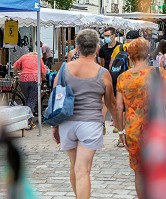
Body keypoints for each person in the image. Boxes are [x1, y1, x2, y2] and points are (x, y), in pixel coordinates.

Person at [51, 29, 117, 199]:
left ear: (77, 48)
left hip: (67, 122)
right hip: (90, 124)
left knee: (74, 166)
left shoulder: (64, 69)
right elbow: (110, 102)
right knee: (84, 170)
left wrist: (54, 125)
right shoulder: (103, 73)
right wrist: (119, 124)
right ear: (97, 47)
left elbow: (56, 95)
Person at [115, 37, 166, 198]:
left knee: (139, 172)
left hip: (133, 129)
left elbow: (119, 106)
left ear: (130, 56)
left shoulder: (123, 78)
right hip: (156, 128)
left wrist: (121, 132)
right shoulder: (158, 73)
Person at [109, 30, 141, 146]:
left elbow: (112, 65)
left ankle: (120, 137)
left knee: (121, 108)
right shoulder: (138, 47)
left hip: (121, 81)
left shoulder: (119, 48)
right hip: (134, 81)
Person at [13, 52, 47, 129]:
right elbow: (43, 71)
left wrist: (16, 74)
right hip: (34, 79)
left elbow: (15, 66)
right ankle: (28, 122)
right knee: (31, 100)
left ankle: (25, 119)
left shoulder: (24, 56)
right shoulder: (38, 58)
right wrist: (43, 78)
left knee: (27, 99)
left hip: (23, 79)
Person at [98, 27, 121, 134]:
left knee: (117, 101)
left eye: (108, 35)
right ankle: (102, 124)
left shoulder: (120, 47)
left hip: (119, 76)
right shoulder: (103, 49)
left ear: (114, 35)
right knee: (104, 101)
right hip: (107, 76)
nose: (106, 38)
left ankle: (117, 123)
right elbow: (102, 64)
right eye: (105, 35)